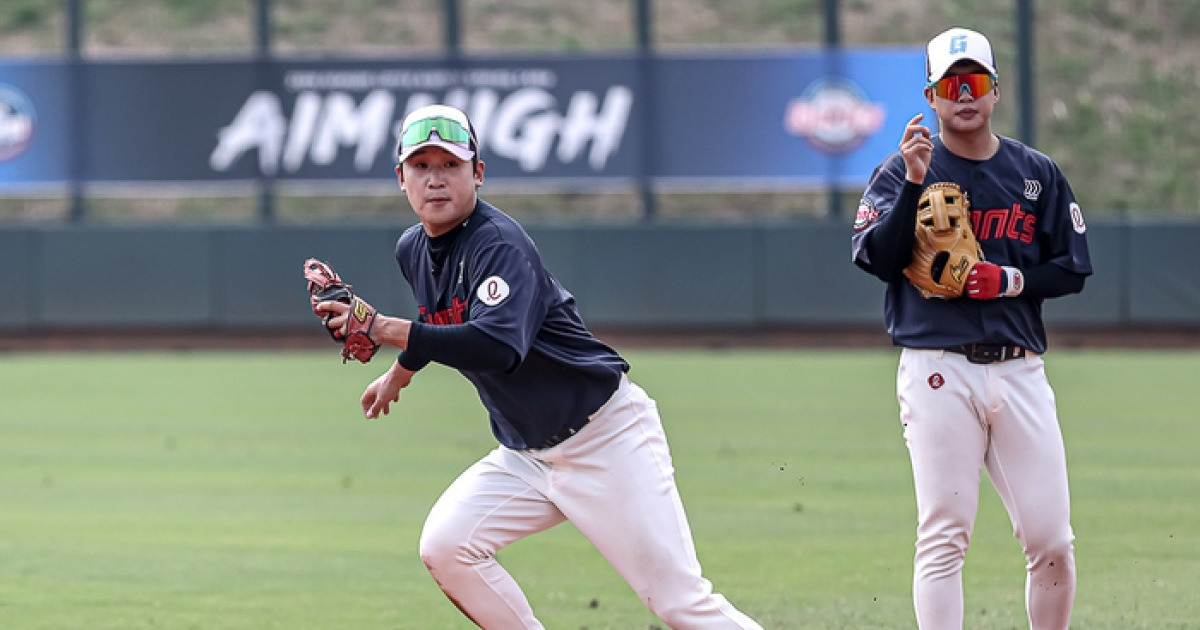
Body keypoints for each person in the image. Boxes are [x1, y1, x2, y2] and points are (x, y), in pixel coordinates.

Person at [314, 103, 762, 629]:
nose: (436, 180)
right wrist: (399, 373)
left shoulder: (497, 244)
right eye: (421, 166)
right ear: (401, 178)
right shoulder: (413, 248)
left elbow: (497, 346)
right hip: (526, 456)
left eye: (450, 165)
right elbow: (435, 317)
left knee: (680, 604)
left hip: (606, 439)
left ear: (477, 173)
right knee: (449, 545)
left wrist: (384, 330)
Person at [850, 27, 1092, 630]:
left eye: (975, 82)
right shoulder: (900, 169)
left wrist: (1010, 281)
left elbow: (1073, 267)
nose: (965, 94)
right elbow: (877, 258)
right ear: (931, 95)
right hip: (938, 367)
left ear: (995, 92)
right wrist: (911, 184)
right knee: (944, 536)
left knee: (1052, 540)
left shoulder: (1035, 173)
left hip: (1019, 370)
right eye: (951, 84)